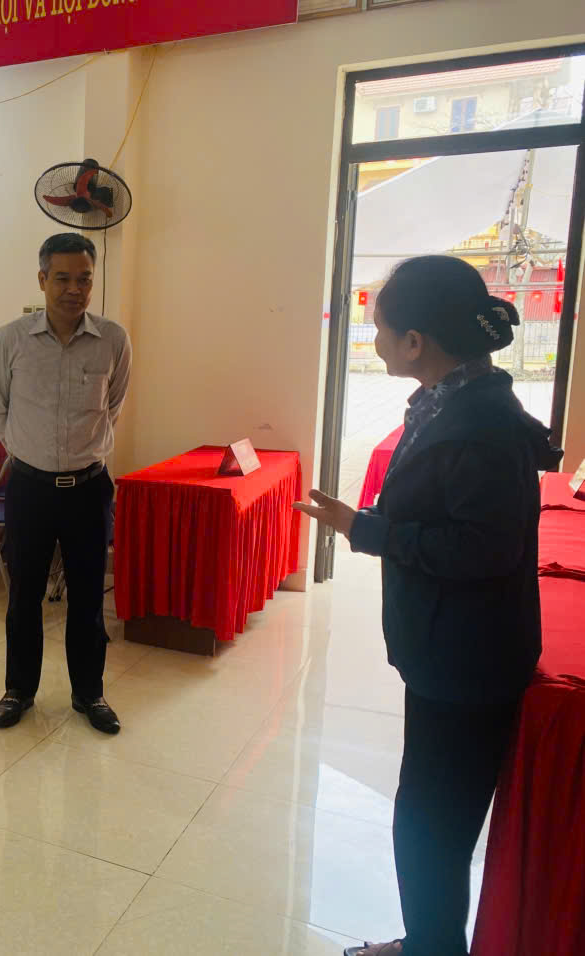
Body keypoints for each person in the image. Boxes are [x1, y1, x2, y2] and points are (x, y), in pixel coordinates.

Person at [295, 256, 561, 956]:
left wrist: (365, 528)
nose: (374, 340)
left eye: (380, 328)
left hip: (468, 660)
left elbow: (481, 551)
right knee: (430, 818)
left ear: (416, 341)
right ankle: (430, 942)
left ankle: (432, 949)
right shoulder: (455, 399)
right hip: (451, 650)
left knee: (430, 824)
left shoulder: (480, 423)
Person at [0, 232, 132, 735]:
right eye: (64, 278)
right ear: (43, 278)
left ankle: (89, 693)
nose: (75, 288)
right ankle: (18, 690)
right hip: (30, 489)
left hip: (90, 489)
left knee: (88, 598)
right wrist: (28, 452)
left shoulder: (113, 339)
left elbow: (113, 404)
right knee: (23, 594)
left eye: (85, 279)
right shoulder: (11, 339)